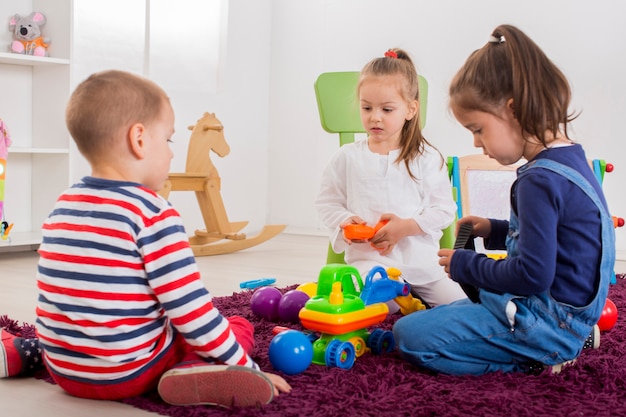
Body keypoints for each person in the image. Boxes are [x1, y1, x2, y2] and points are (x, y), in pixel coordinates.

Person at [0, 70, 291, 407]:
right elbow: (191, 310)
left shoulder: (63, 204)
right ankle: (196, 371)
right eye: (167, 140)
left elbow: (60, 298)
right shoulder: (153, 213)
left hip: (63, 368)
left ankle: (18, 353)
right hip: (129, 374)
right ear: (139, 139)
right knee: (236, 324)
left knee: (68, 330)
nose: (170, 154)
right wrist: (247, 366)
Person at [393, 25, 615, 375]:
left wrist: (466, 265)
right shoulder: (570, 160)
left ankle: (535, 360)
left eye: (478, 129)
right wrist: (493, 230)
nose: (477, 144)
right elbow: (555, 242)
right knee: (446, 314)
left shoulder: (537, 181)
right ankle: (569, 339)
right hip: (569, 316)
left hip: (543, 320)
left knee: (408, 336)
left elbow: (532, 274)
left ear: (512, 111)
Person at [315, 48, 466, 309]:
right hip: (371, 265)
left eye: (386, 109)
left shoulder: (427, 158)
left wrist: (407, 227)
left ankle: (418, 308)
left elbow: (443, 210)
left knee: (460, 304)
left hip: (423, 265)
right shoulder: (347, 158)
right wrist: (344, 221)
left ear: (410, 109)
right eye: (366, 107)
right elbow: (327, 202)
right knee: (381, 310)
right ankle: (403, 308)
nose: (375, 117)